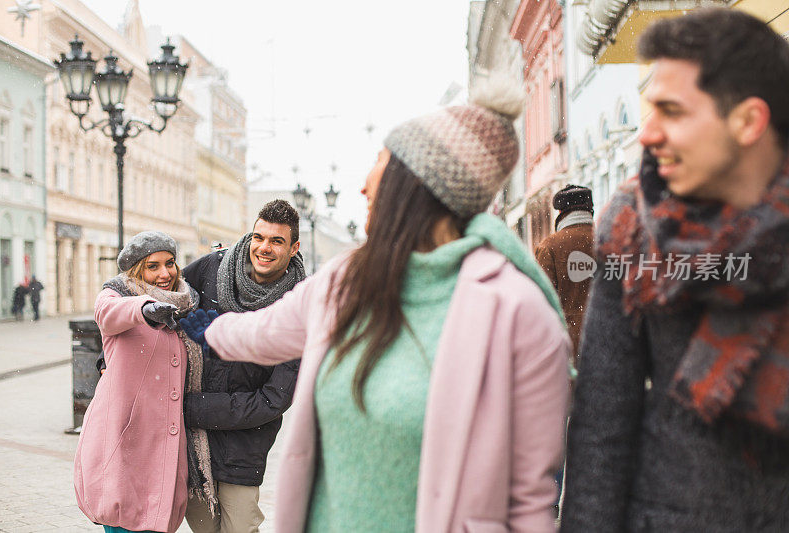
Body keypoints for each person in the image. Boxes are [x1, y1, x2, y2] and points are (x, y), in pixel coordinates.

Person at [185, 78, 570, 532]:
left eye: (380, 166)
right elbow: (266, 332)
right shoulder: (348, 280)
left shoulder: (517, 311)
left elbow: (530, 503)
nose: (365, 187)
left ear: (417, 187)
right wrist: (208, 329)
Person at [561, 9, 789, 531]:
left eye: (672, 111)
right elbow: (602, 423)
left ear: (749, 121)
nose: (648, 133)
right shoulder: (631, 225)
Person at [180, 199, 305, 533]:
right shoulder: (210, 270)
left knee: (240, 528)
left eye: (276, 241)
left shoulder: (297, 307)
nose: (264, 248)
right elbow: (155, 300)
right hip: (193, 444)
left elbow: (274, 399)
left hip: (244, 448)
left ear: (294, 248)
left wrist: (191, 408)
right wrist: (112, 357)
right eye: (258, 237)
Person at [74, 231, 199, 533]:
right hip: (124, 441)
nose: (164, 273)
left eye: (169, 263)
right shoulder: (116, 297)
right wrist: (143, 309)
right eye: (152, 266)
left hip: (166, 444)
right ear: (137, 269)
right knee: (122, 520)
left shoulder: (187, 305)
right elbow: (107, 314)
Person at [535, 184, 594, 371]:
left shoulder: (549, 248)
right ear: (590, 209)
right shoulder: (609, 241)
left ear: (560, 213)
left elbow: (542, 305)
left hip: (568, 352)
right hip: (610, 344)